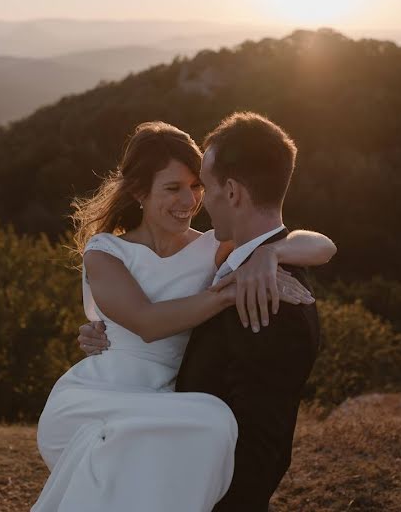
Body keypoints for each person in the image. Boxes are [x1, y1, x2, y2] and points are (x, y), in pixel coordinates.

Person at [32, 119, 335, 512]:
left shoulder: (214, 247)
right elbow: (147, 322)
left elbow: (322, 245)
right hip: (104, 394)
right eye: (173, 188)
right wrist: (229, 292)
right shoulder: (105, 252)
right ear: (140, 191)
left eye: (196, 186)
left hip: (169, 400)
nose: (190, 201)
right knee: (206, 424)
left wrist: (269, 254)